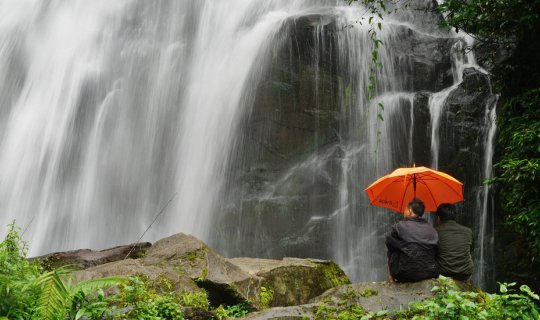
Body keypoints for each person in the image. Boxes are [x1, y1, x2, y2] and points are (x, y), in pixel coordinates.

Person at [386, 198, 439, 282]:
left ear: (410, 211)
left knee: (392, 247)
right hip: (429, 272)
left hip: (404, 273)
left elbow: (388, 243)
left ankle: (390, 278)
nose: (404, 212)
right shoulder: (432, 229)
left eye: (405, 209)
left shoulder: (399, 226)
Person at [435, 203, 474, 281]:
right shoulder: (468, 231)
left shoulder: (434, 232)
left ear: (438, 218)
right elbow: (471, 249)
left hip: (443, 273)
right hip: (465, 273)